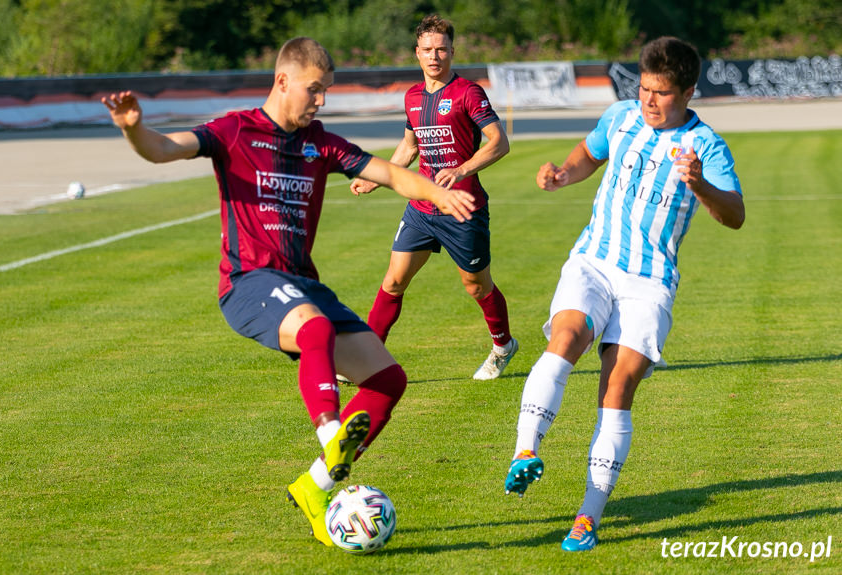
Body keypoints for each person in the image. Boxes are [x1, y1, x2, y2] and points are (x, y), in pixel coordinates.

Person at [102, 37, 476, 547]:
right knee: (315, 328)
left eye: (326, 92)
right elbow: (166, 149)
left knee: (388, 380)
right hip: (248, 283)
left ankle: (314, 486)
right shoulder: (234, 130)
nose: (320, 101)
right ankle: (330, 436)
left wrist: (439, 192)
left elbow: (388, 172)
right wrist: (134, 129)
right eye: (314, 90)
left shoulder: (320, 142)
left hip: (303, 282)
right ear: (282, 81)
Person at [503, 36, 745, 552]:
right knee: (565, 337)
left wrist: (700, 186)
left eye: (661, 93)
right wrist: (563, 174)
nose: (648, 101)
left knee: (617, 388)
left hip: (650, 281)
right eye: (643, 88)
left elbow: (735, 216)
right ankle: (525, 451)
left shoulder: (707, 147)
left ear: (687, 93)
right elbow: (591, 153)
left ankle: (588, 516)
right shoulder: (620, 117)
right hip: (594, 260)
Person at [350, 14, 517, 381]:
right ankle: (366, 359)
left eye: (441, 49)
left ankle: (503, 346)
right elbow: (409, 147)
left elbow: (499, 142)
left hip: (462, 207)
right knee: (393, 281)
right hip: (422, 206)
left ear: (452, 51)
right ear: (417, 53)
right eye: (427, 49)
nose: (434, 56)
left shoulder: (468, 93)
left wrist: (461, 170)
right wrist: (375, 178)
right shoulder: (411, 97)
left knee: (476, 285)